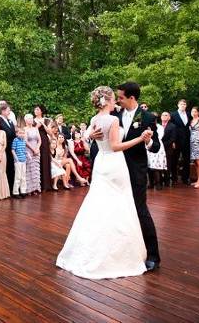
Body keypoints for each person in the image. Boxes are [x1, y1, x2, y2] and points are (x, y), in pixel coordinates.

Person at [57, 86, 150, 279]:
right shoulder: (114, 119)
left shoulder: (94, 119)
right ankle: (116, 255)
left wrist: (90, 135)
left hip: (101, 163)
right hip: (115, 164)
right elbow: (115, 146)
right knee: (119, 204)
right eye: (114, 98)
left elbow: (89, 137)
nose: (116, 100)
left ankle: (89, 249)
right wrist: (140, 139)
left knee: (99, 203)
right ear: (107, 101)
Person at [170, 99, 191, 185]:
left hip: (186, 140)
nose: (183, 105)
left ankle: (185, 178)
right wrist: (173, 141)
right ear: (178, 105)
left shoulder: (189, 114)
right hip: (177, 140)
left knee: (187, 160)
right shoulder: (173, 115)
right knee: (174, 159)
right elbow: (171, 128)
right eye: (181, 104)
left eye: (184, 104)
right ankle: (174, 178)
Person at [0, 104, 16, 193]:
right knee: (6, 168)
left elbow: (13, 133)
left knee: (11, 168)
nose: (9, 111)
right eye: (8, 110)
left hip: (12, 148)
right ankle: (6, 189)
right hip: (4, 148)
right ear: (3, 111)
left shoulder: (10, 121)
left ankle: (12, 189)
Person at [34, 104, 52, 192]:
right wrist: (37, 125)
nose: (36, 111)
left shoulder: (46, 120)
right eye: (35, 109)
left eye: (37, 109)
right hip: (35, 141)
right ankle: (37, 185)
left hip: (44, 141)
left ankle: (46, 185)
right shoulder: (32, 120)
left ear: (41, 111)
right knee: (37, 161)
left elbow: (50, 133)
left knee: (45, 160)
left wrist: (43, 124)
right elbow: (31, 129)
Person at [147, 114, 167, 190]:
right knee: (149, 166)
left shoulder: (160, 127)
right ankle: (150, 183)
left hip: (157, 146)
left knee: (156, 166)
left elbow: (160, 136)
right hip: (148, 145)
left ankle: (158, 183)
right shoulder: (147, 126)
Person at [24, 114, 41, 195]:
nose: (31, 120)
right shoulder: (24, 129)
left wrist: (37, 148)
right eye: (29, 119)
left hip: (37, 151)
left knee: (36, 170)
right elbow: (26, 141)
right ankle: (29, 189)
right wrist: (33, 149)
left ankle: (36, 188)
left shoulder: (35, 129)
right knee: (29, 169)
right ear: (26, 120)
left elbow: (39, 140)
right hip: (29, 150)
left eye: (31, 118)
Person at [160, 112, 177, 186]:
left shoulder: (173, 126)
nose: (164, 116)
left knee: (168, 164)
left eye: (166, 115)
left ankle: (167, 181)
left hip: (168, 147)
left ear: (169, 118)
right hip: (158, 148)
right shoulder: (157, 125)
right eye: (163, 115)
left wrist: (163, 144)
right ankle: (159, 180)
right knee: (159, 163)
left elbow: (173, 138)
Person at [11, 128, 27, 198]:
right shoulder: (15, 140)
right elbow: (13, 150)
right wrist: (16, 158)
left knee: (23, 177)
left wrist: (27, 155)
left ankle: (23, 191)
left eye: (23, 133)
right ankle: (15, 192)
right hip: (18, 161)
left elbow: (24, 150)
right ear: (17, 134)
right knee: (18, 177)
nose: (22, 134)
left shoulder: (24, 141)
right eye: (20, 133)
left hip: (24, 161)